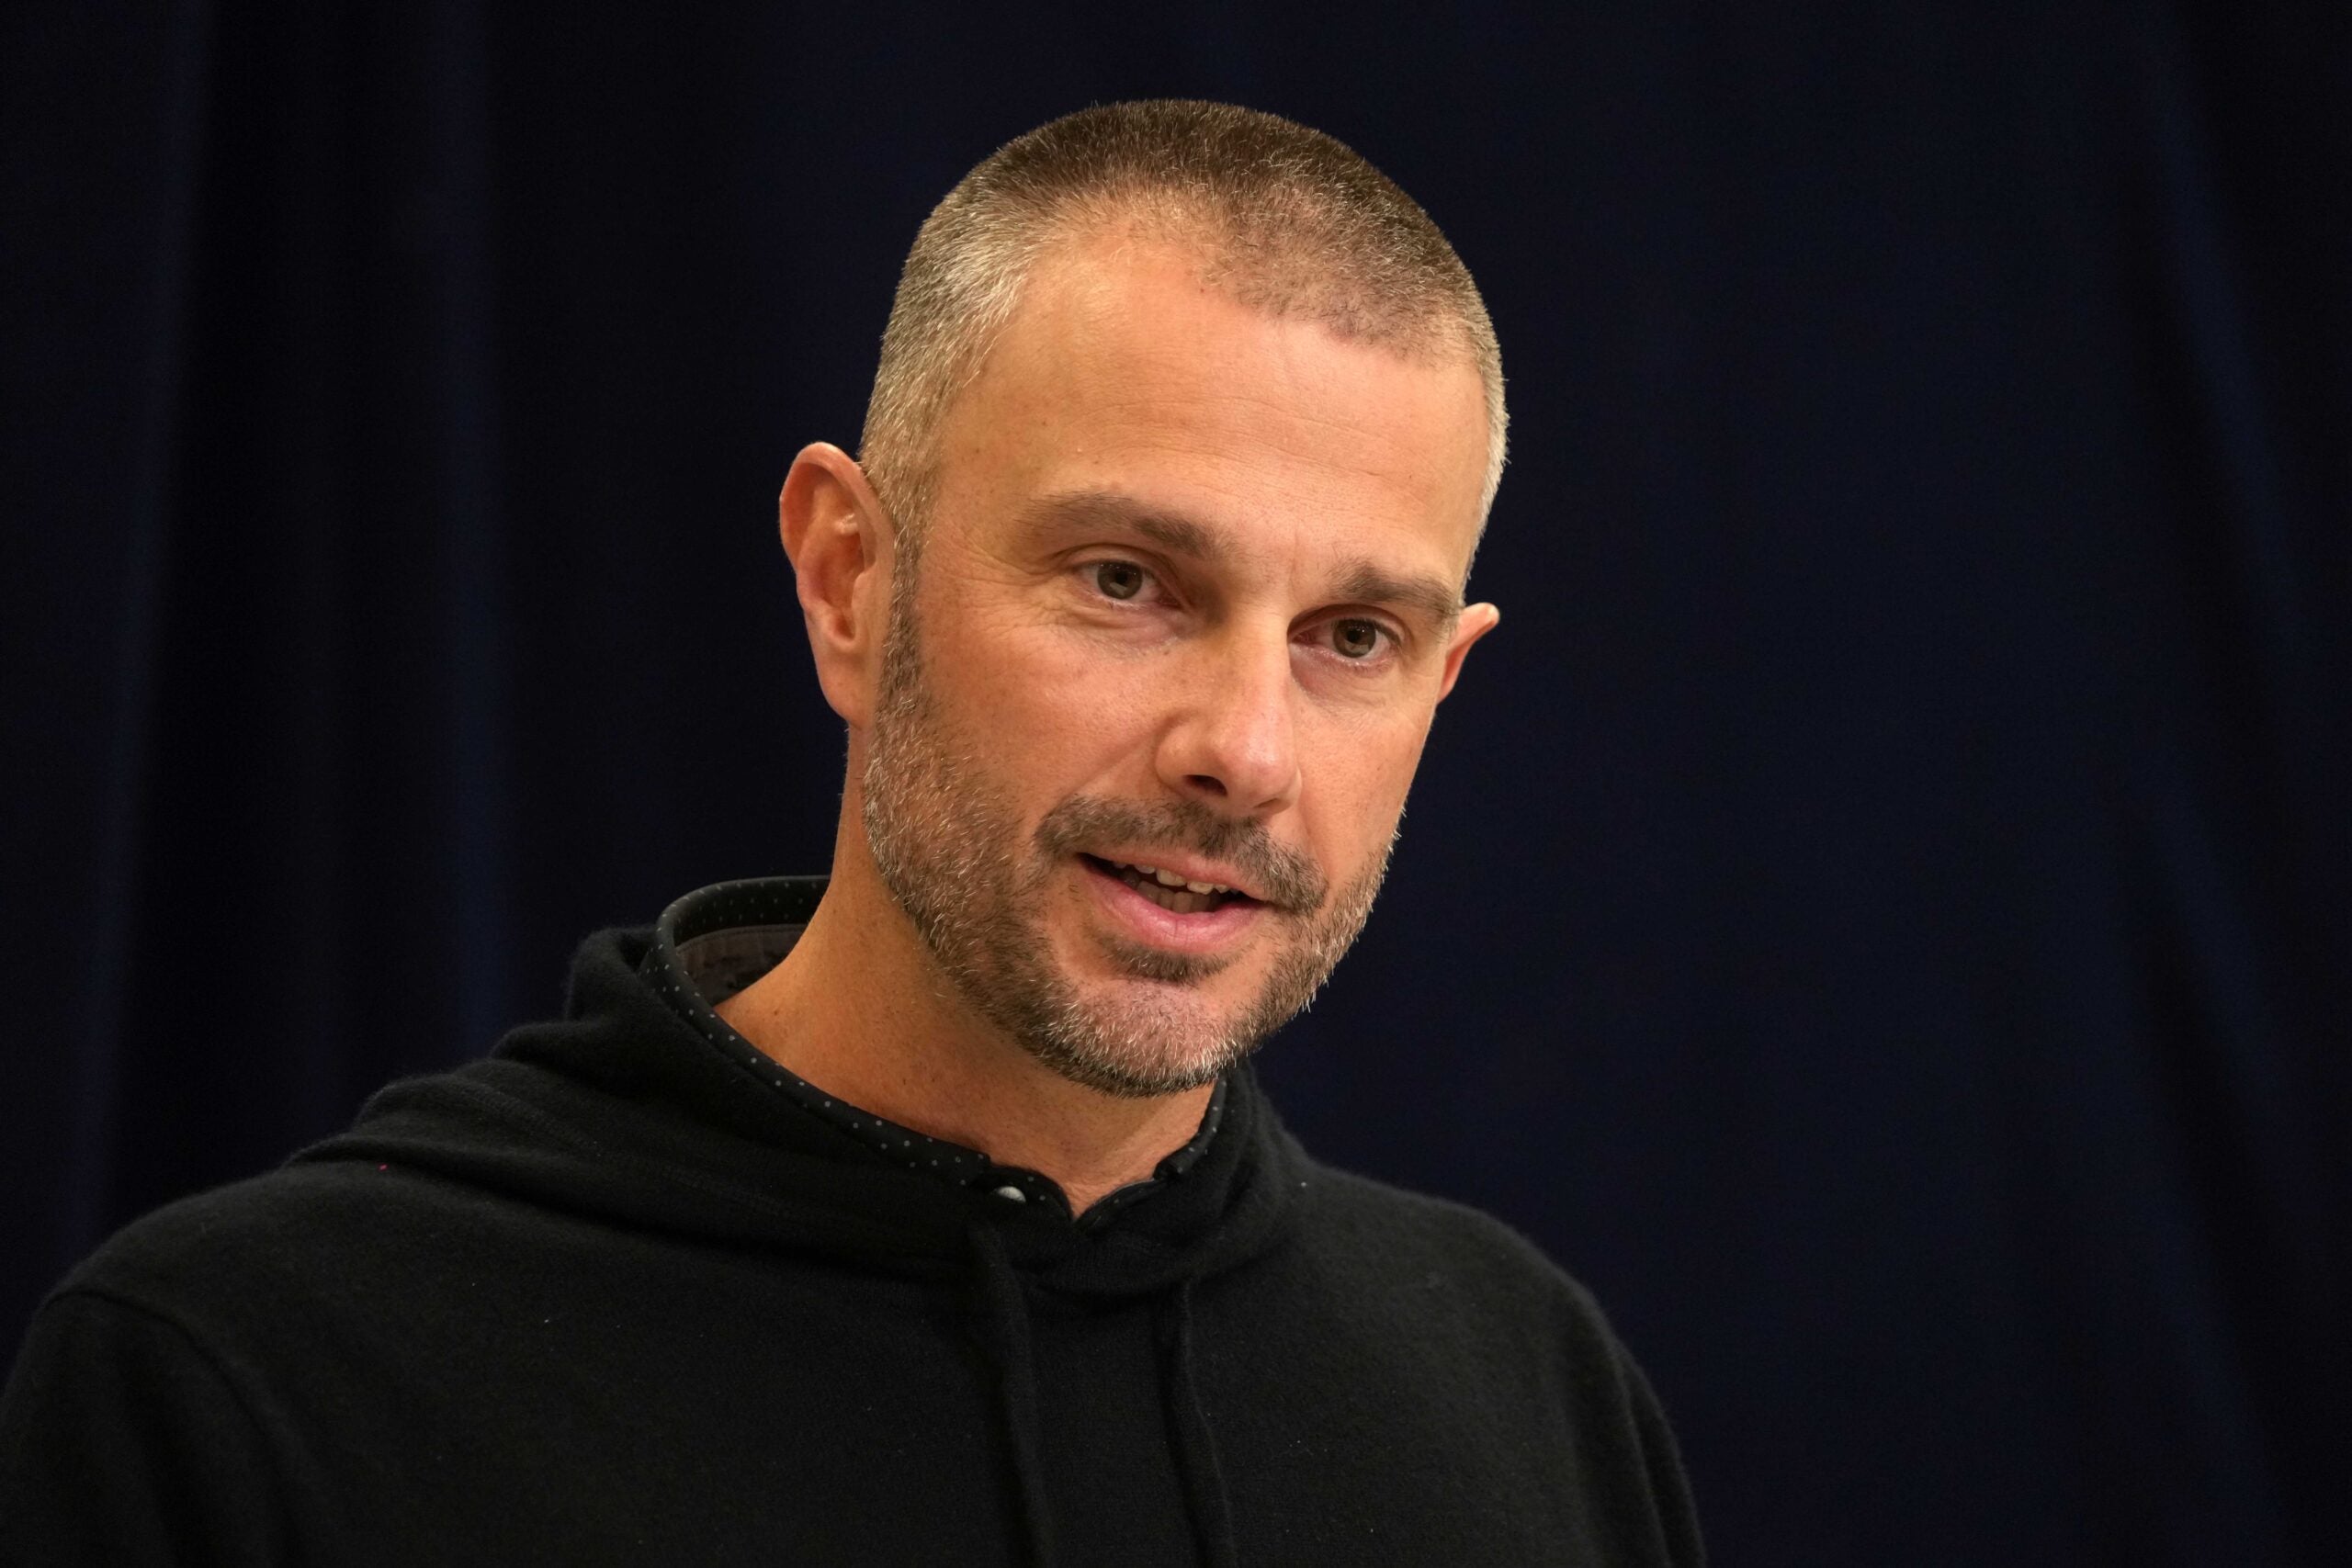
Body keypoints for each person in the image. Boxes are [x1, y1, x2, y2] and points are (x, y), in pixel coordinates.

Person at [0, 101, 1702, 1565]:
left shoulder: (1529, 1394)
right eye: (1126, 582)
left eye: (1351, 639)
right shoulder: (249, 1384)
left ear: (1445, 681)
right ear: (846, 578)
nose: (1243, 754)